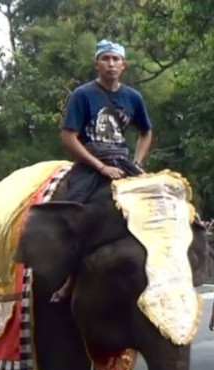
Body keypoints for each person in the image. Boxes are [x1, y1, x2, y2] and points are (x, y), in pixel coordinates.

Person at [51, 39, 153, 302]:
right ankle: (69, 276)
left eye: (115, 59)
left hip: (123, 161)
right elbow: (69, 138)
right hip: (91, 162)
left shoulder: (133, 97)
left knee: (157, 204)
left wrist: (138, 162)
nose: (111, 64)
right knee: (72, 212)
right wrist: (100, 167)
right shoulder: (82, 95)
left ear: (124, 64)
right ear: (97, 63)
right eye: (105, 58)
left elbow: (146, 131)